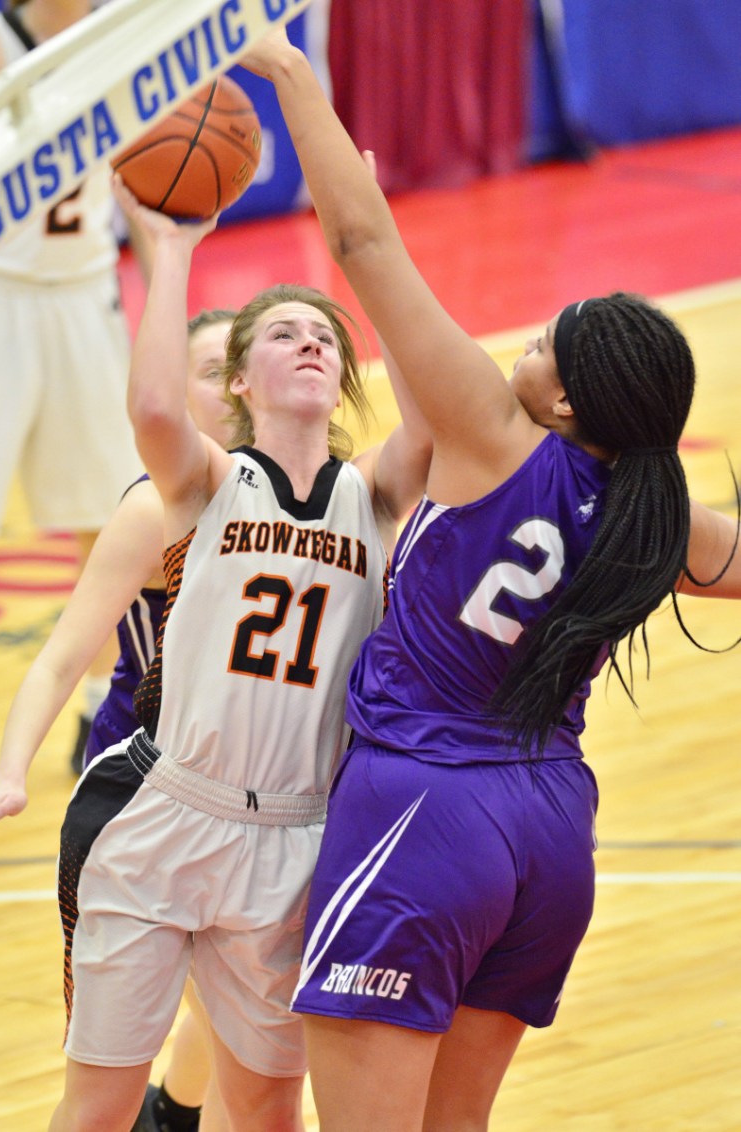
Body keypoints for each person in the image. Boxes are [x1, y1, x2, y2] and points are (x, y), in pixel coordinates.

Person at [237, 30, 741, 1132]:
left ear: (567, 404)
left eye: (544, 347)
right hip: (550, 837)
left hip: (425, 805)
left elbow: (361, 240)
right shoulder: (662, 517)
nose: (523, 348)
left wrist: (293, 83)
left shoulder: (499, 435)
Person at [0, 165, 431, 1131]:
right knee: (99, 1106)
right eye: (284, 333)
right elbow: (153, 411)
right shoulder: (202, 484)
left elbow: (439, 412)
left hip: (293, 835)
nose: (311, 344)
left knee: (268, 1109)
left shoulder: (376, 495)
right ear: (240, 381)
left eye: (326, 338)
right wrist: (172, 246)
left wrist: (371, 256)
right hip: (164, 811)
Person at [0, 307, 240, 1132]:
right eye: (209, 369)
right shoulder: (152, 510)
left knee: (241, 1014)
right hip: (147, 785)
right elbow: (63, 657)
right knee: (128, 1047)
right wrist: (11, 769)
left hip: (257, 783)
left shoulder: (320, 497)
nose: (232, 383)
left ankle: (175, 1113)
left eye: (239, 362)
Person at [0, 0, 151, 773]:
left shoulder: (123, 34)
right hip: (0, 294)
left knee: (110, 506)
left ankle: (102, 696)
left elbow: (152, 186)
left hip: (87, 291)